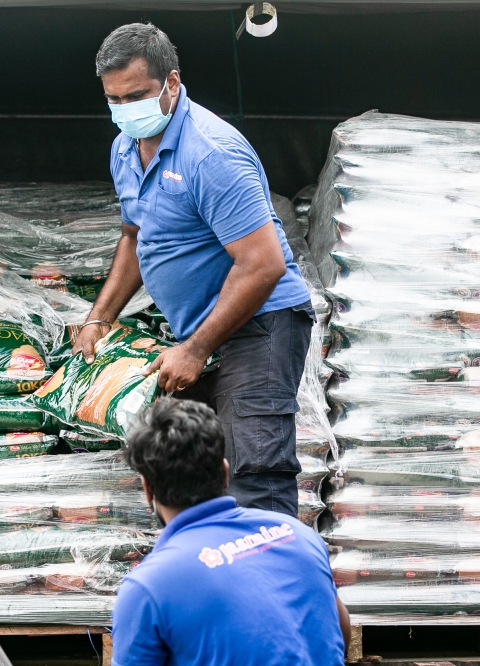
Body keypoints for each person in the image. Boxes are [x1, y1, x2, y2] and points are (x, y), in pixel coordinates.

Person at [78, 22, 314, 517]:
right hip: (200, 333)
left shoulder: (211, 153)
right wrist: (100, 317)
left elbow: (263, 264)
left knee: (254, 470)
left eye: (136, 96)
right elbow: (134, 234)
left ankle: (269, 586)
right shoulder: (125, 148)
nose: (124, 111)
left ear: (172, 82)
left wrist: (195, 348)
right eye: (113, 100)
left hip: (259, 325)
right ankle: (210, 581)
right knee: (189, 474)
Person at [111, 397, 349, 666]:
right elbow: (338, 632)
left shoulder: (146, 587)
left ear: (147, 490)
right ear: (225, 473)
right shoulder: (298, 534)